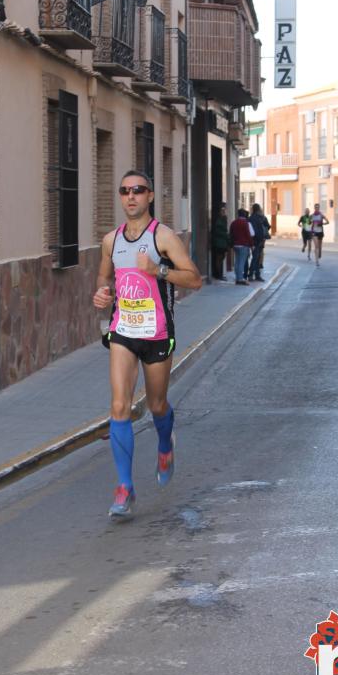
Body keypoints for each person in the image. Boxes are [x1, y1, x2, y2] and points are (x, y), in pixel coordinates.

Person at [93, 170, 202, 519]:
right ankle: (124, 487)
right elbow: (104, 278)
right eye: (124, 191)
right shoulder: (111, 240)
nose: (130, 196)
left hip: (156, 333)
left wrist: (159, 271)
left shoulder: (164, 238)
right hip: (123, 330)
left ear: (150, 196)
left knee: (156, 405)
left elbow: (195, 279)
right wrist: (102, 294)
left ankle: (165, 444)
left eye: (138, 190)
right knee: (120, 405)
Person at [229, 208, 255, 285]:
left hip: (235, 244)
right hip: (243, 245)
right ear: (245, 215)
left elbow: (231, 233)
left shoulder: (233, 223)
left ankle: (237, 277)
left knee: (237, 261)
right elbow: (248, 234)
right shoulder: (245, 223)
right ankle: (240, 279)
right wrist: (251, 244)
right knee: (241, 262)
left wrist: (232, 243)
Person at [248, 203, 266, 282]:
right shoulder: (256, 218)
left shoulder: (252, 218)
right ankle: (251, 274)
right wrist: (260, 239)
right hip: (256, 241)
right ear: (258, 209)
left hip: (255, 240)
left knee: (256, 258)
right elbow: (257, 231)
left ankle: (256, 274)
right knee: (255, 258)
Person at [211, 204, 229, 281]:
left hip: (223, 242)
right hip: (219, 243)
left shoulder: (224, 219)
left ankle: (219, 274)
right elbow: (218, 231)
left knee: (221, 258)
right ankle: (218, 274)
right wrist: (225, 235)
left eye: (224, 210)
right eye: (223, 210)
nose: (224, 212)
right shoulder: (219, 220)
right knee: (219, 258)